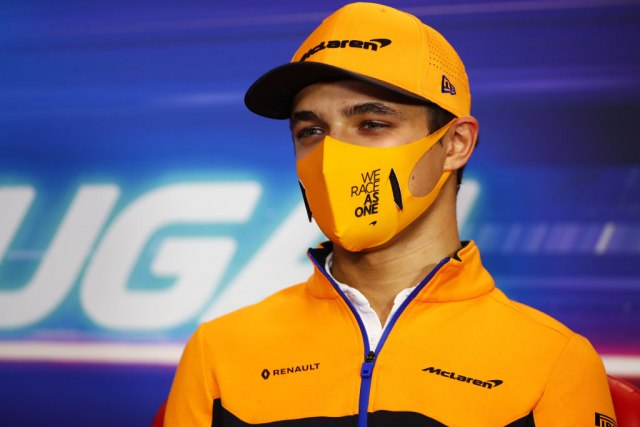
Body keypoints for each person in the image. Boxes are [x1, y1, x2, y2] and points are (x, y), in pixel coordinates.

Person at [165, 3, 616, 426]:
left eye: (372, 124)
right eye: (312, 130)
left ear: (455, 143)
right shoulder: (218, 350)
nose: (331, 155)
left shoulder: (551, 359)